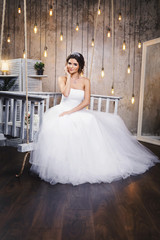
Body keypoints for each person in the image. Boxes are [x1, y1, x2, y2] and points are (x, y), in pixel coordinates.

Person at [30, 52, 159, 186]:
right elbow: (66, 93)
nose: (72, 66)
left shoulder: (86, 81)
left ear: (80, 66)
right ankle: (63, 164)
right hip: (62, 109)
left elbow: (86, 102)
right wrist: (68, 77)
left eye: (75, 64)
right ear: (66, 64)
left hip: (77, 110)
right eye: (69, 63)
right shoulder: (62, 78)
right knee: (60, 124)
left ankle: (88, 162)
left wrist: (70, 112)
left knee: (89, 120)